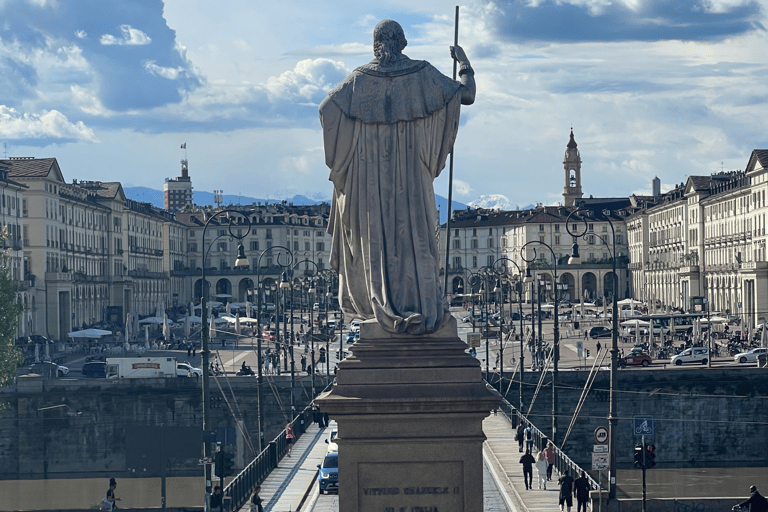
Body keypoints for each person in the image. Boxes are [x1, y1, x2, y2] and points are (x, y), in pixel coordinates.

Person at [319, 19, 475, 335]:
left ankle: (381, 306)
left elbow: (326, 110)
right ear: (402, 43)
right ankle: (422, 304)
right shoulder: (422, 73)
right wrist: (463, 63)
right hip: (412, 176)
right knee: (415, 236)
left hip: (368, 175)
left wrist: (346, 156)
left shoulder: (358, 81)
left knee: (375, 240)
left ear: (376, 44)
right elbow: (467, 95)